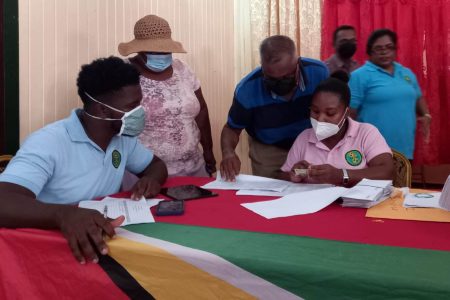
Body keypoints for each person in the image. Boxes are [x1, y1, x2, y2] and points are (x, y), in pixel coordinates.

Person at [0, 57, 168, 264]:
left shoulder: (123, 138)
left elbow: (156, 165)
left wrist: (152, 179)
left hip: (109, 244)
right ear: (103, 110)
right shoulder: (49, 142)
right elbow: (3, 200)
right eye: (132, 107)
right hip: (55, 252)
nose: (140, 113)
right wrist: (63, 215)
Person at [118, 15, 216, 177]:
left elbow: (202, 111)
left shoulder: (182, 69)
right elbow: (113, 122)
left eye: (165, 49)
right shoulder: (123, 74)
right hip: (146, 173)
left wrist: (208, 150)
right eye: (154, 50)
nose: (161, 54)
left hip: (193, 166)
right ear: (139, 50)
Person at [220, 35, 329, 181]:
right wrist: (228, 153)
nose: (280, 82)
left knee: (313, 182)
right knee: (271, 187)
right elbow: (232, 128)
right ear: (262, 67)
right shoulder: (247, 89)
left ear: (297, 63)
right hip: (269, 148)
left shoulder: (319, 73)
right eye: (271, 78)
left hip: (310, 142)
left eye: (286, 77)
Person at [281, 73, 393, 186]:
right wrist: (296, 174)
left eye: (330, 113)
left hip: (356, 202)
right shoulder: (305, 137)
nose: (320, 119)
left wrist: (341, 175)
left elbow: (386, 172)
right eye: (315, 111)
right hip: (315, 202)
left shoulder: (366, 133)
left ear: (346, 113)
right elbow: (285, 175)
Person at [349, 29, 431, 160]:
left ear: (395, 49)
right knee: (377, 181)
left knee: (402, 181)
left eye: (389, 47)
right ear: (370, 52)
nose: (384, 52)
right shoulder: (359, 76)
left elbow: (418, 96)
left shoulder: (406, 73)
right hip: (372, 150)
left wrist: (426, 114)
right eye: (378, 48)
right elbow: (350, 113)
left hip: (405, 147)